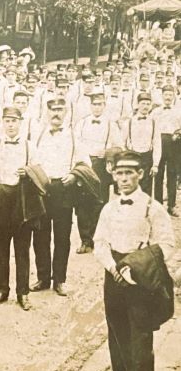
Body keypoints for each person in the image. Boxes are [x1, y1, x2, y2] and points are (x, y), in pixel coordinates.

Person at [93, 151, 175, 371]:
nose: (124, 179)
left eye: (129, 173)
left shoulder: (153, 207)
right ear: (114, 176)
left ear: (140, 174)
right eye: (119, 173)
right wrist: (112, 267)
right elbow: (100, 242)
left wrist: (138, 266)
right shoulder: (108, 209)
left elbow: (167, 244)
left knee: (140, 340)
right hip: (113, 277)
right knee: (117, 336)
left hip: (141, 280)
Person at [32, 98, 90, 297]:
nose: (56, 113)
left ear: (66, 112)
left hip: (64, 190)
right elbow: (31, 160)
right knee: (40, 235)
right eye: (52, 109)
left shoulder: (74, 137)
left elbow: (85, 163)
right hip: (42, 189)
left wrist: (74, 175)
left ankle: (60, 280)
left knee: (62, 236)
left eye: (60, 109)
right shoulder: (39, 135)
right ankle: (43, 278)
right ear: (47, 112)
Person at [0, 107, 38, 311]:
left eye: (14, 121)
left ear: (20, 123)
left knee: (22, 248)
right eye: (7, 121)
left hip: (21, 199)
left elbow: (39, 171)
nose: (10, 125)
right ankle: (2, 289)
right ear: (2, 122)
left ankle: (23, 292)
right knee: (1, 247)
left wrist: (27, 172)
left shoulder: (28, 145)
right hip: (1, 199)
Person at [73, 93, 122, 253]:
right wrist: (84, 158)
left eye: (101, 104)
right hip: (85, 165)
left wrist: (107, 152)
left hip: (101, 166)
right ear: (90, 105)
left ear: (104, 106)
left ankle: (98, 239)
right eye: (95, 104)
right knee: (82, 204)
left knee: (100, 203)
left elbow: (119, 146)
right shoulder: (81, 123)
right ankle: (85, 240)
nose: (97, 107)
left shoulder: (111, 124)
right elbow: (75, 143)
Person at [121, 92, 160, 196]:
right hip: (132, 157)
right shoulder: (129, 122)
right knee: (130, 188)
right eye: (143, 103)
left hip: (147, 158)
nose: (145, 106)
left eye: (148, 104)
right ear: (138, 105)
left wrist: (155, 164)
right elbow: (122, 143)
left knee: (146, 190)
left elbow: (157, 144)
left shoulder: (154, 122)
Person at [151, 85, 181, 215]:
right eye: (166, 94)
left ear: (174, 95)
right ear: (162, 96)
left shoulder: (179, 111)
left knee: (172, 174)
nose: (168, 97)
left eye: (170, 94)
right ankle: (158, 204)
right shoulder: (155, 112)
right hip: (159, 143)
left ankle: (172, 205)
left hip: (174, 144)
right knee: (158, 174)